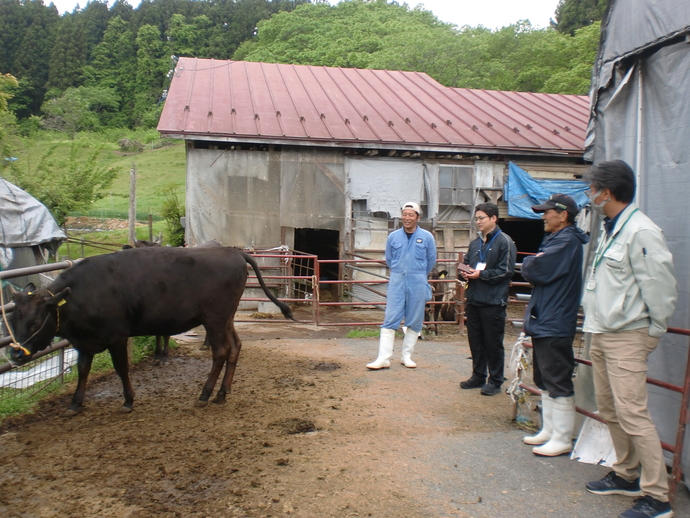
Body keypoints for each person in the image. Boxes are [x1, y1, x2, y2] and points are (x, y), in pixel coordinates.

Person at [582, 160, 677, 518]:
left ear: (606, 193)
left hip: (628, 334)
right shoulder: (612, 228)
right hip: (604, 331)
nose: (589, 194)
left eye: (592, 189)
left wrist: (653, 331)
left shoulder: (641, 231)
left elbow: (662, 288)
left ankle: (657, 496)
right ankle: (626, 473)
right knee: (610, 408)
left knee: (633, 412)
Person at [520, 194, 589, 456]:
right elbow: (536, 266)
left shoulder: (567, 240)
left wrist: (531, 262)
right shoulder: (557, 239)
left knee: (557, 378)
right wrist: (534, 262)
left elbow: (536, 268)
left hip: (555, 319)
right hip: (547, 317)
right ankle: (549, 430)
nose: (543, 216)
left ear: (563, 215)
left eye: (548, 212)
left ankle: (562, 437)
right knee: (545, 376)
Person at [367, 202, 436, 370]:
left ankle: (407, 356)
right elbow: (389, 259)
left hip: (418, 280)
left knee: (415, 318)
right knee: (390, 317)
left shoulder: (427, 237)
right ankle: (383, 357)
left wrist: (418, 274)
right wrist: (400, 272)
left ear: (417, 217)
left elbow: (431, 260)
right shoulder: (393, 237)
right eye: (404, 214)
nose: (407, 218)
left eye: (411, 215)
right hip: (397, 280)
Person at [459, 202, 516, 396]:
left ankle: (496, 379)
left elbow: (506, 271)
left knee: (492, 342)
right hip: (474, 299)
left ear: (494, 219)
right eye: (476, 218)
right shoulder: (475, 243)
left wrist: (480, 275)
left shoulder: (504, 241)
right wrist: (464, 273)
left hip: (493, 301)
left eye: (481, 218)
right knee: (475, 340)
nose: (478, 222)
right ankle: (478, 375)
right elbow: (467, 263)